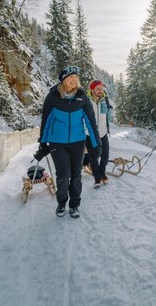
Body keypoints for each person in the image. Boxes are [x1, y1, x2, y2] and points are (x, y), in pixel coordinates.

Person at [36, 66, 101, 218]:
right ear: (63, 79)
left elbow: (91, 122)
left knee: (76, 175)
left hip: (78, 142)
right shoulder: (52, 97)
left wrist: (96, 143)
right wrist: (43, 142)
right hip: (57, 143)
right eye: (71, 77)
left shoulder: (82, 97)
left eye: (76, 77)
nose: (74, 80)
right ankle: (61, 203)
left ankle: (74, 205)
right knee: (63, 175)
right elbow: (46, 121)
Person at [85, 79, 113, 188]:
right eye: (98, 89)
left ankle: (102, 173)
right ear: (92, 89)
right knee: (93, 157)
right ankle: (97, 178)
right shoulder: (86, 100)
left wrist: (107, 123)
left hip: (103, 132)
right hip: (90, 134)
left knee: (105, 155)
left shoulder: (105, 99)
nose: (101, 91)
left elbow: (107, 115)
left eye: (101, 88)